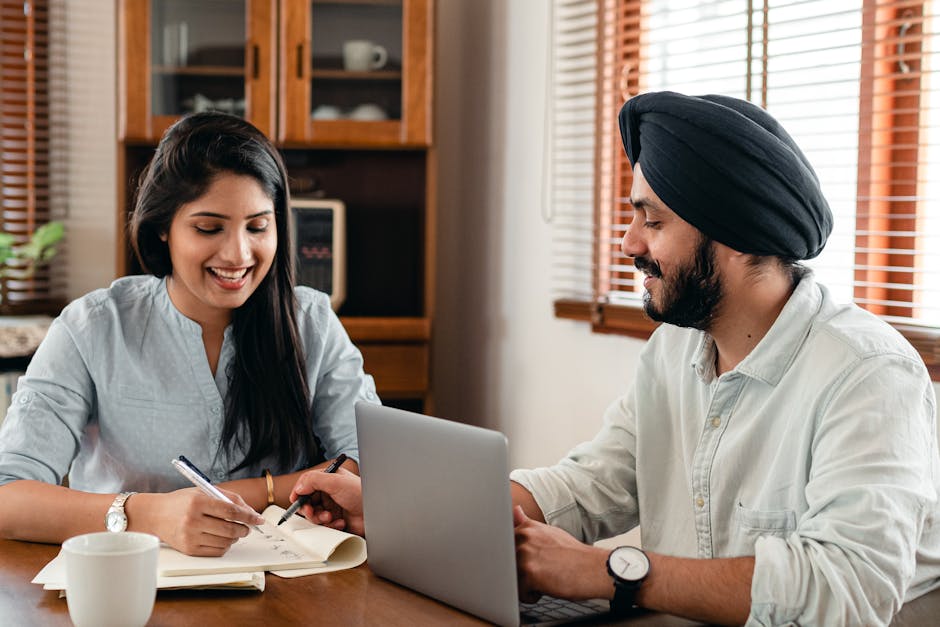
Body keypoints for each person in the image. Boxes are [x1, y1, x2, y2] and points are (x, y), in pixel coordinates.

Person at [290, 92, 940, 625]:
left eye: (652, 222)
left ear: (739, 239)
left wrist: (605, 570)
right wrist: (401, 506)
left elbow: (852, 587)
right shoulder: (675, 347)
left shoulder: (867, 372)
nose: (629, 242)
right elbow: (592, 482)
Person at [0, 111, 378, 557]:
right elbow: (10, 498)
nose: (239, 254)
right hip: (135, 582)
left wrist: (247, 492)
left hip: (287, 588)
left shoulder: (310, 321)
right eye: (208, 228)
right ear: (163, 228)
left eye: (258, 226)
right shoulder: (94, 327)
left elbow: (369, 466)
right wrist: (150, 515)